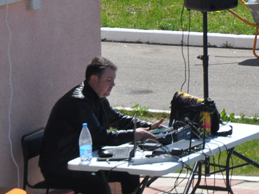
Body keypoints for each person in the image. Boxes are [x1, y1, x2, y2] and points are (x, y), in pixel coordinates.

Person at [39, 57, 165, 194]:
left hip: (84, 160)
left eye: (113, 80)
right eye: (109, 80)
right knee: (98, 186)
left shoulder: (98, 97)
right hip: (60, 167)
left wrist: (150, 126)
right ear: (94, 79)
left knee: (129, 173)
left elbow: (117, 119)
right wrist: (135, 135)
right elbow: (99, 136)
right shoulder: (78, 102)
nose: (113, 84)